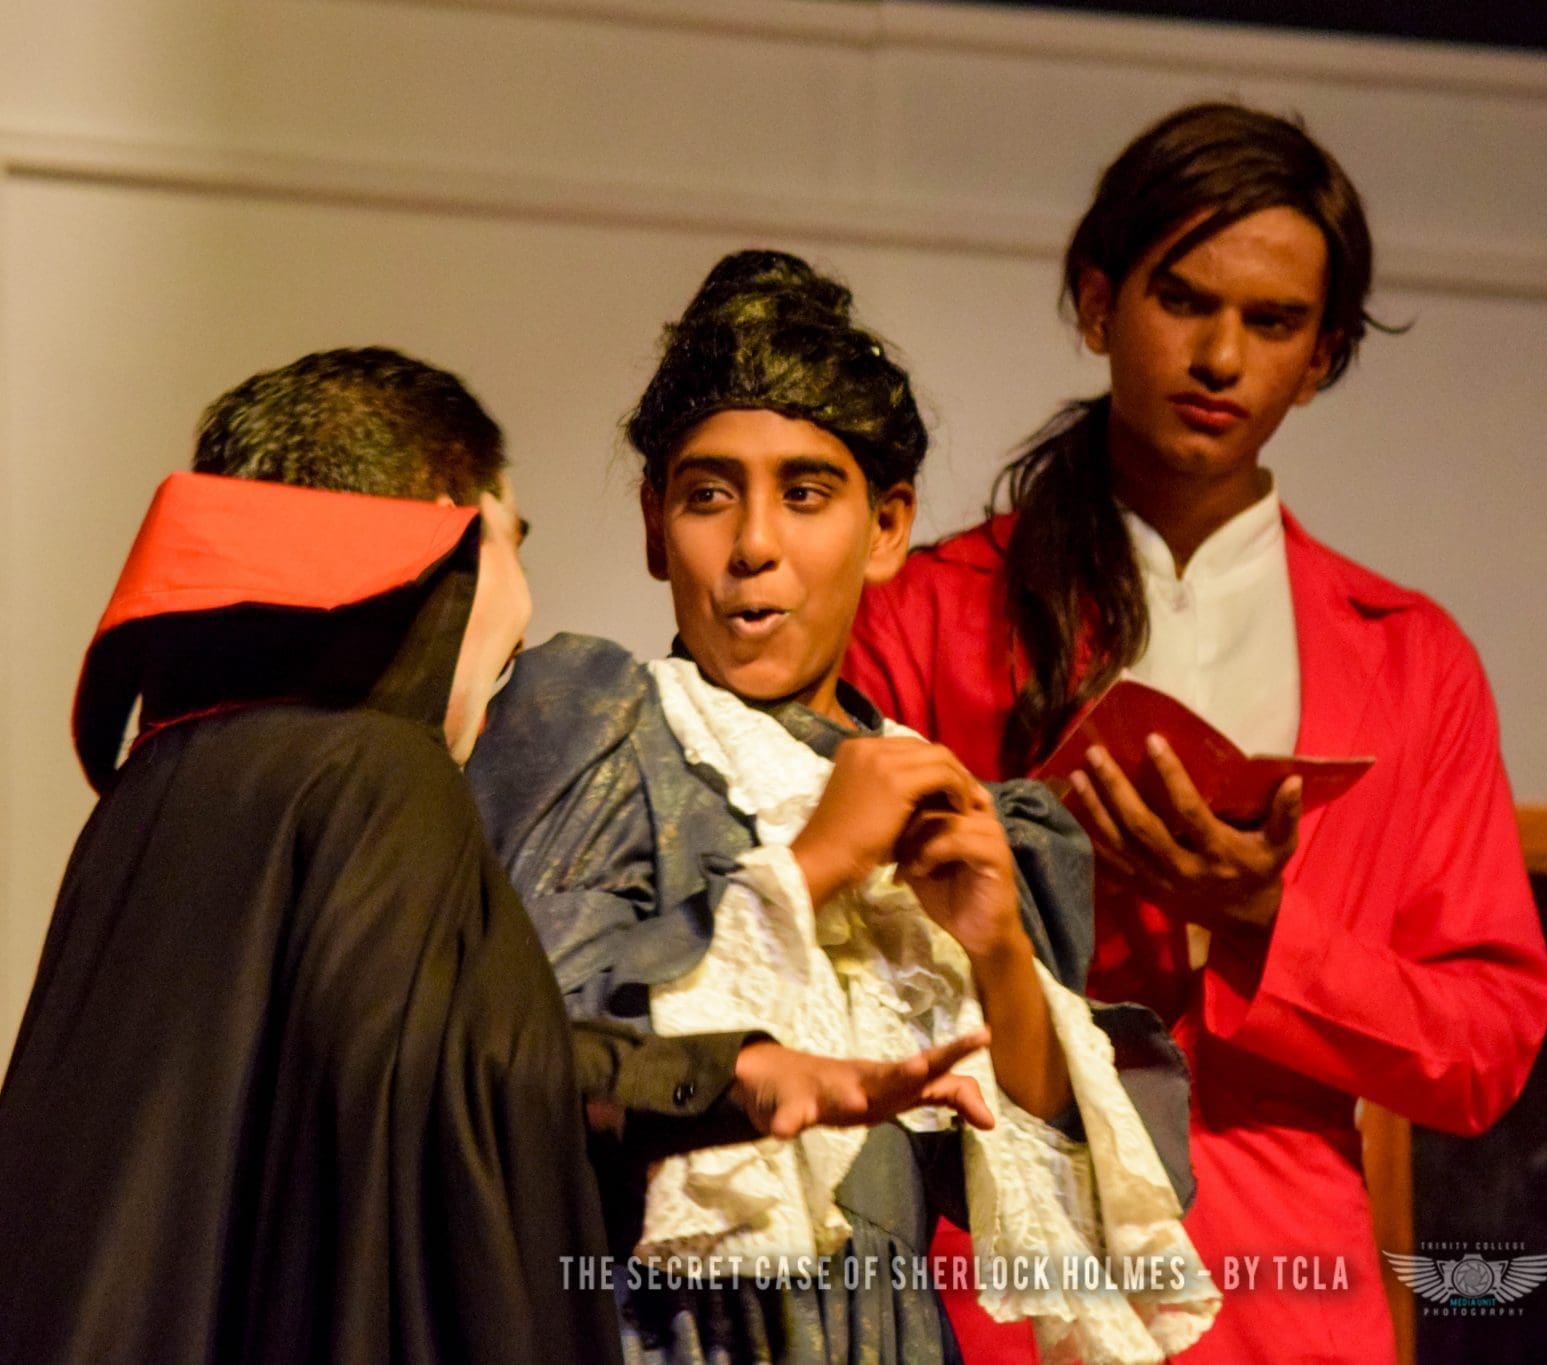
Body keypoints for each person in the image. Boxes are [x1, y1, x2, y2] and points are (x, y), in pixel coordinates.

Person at [0, 347, 1016, 1365]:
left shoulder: (168, 774)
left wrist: (730, 1075)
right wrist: (732, 1067)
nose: (521, 617)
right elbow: (467, 1093)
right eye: (513, 542)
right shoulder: (379, 776)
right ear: (452, 537)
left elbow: (421, 1055)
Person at [846, 103, 1547, 1364]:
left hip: (1285, 1296)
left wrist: (1264, 925)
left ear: (1321, 357)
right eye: (1182, 300)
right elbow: (835, 984)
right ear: (1096, 302)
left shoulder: (1409, 659)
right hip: (1002, 1285)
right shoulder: (926, 614)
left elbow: (1480, 1051)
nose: (1220, 355)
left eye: (1271, 322)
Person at [471, 253, 1216, 1364]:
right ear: (653, 525)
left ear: (886, 527)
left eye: (806, 494)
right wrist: (808, 866)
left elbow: (1072, 1218)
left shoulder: (964, 815)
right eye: (708, 494)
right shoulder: (597, 730)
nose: (753, 545)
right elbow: (515, 1060)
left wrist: (999, 951)